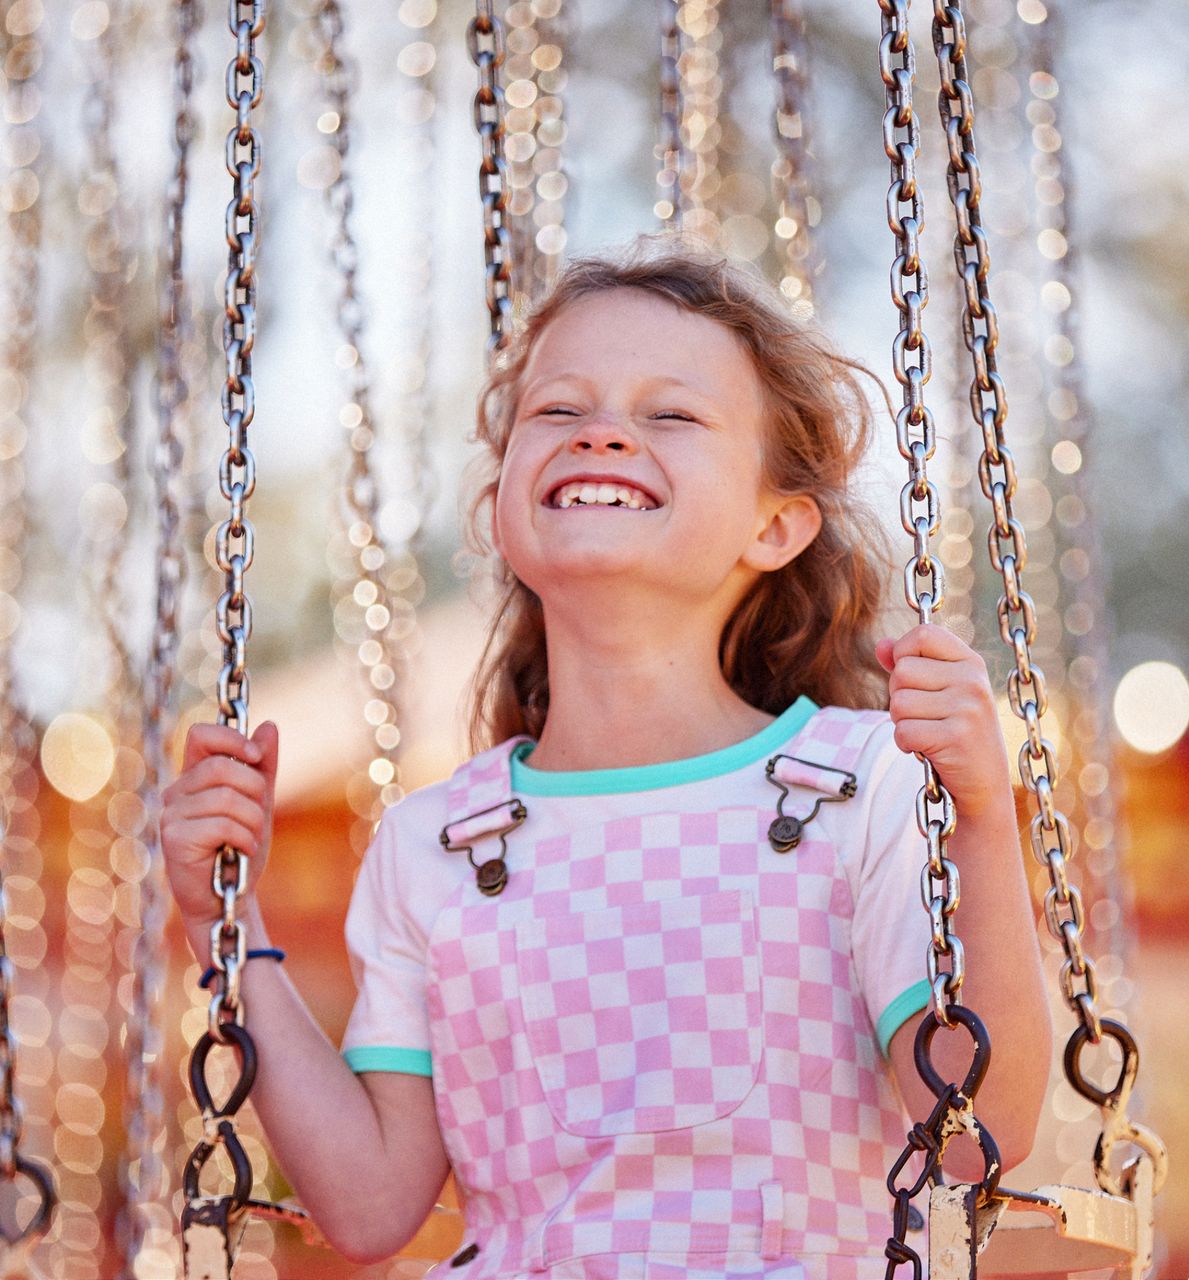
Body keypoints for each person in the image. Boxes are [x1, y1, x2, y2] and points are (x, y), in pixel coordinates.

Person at [161, 239, 1052, 1278]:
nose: (601, 432)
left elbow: (969, 1125)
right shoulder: (435, 843)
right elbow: (366, 1205)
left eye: (668, 415)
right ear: (501, 504)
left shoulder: (861, 785)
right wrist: (224, 920)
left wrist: (983, 820)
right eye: (557, 410)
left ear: (774, 525)